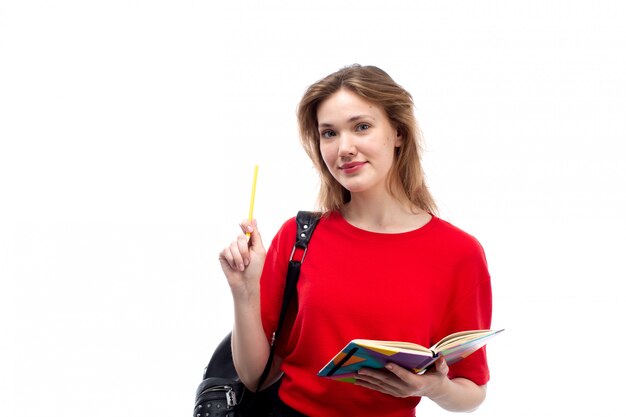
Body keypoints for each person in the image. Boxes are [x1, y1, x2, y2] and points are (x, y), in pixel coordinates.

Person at [219, 64, 493, 417]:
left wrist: (434, 386)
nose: (344, 148)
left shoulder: (460, 252)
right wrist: (243, 290)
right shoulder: (299, 237)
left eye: (361, 127)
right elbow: (256, 378)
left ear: (397, 132)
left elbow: (472, 390)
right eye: (329, 133)